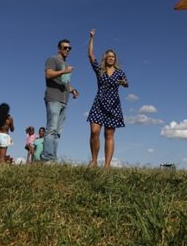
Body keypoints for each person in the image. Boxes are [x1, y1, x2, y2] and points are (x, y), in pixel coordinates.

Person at [86, 29, 128, 167]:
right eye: (109, 56)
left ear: (115, 59)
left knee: (109, 135)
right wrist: (92, 38)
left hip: (113, 105)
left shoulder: (119, 72)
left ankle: (107, 164)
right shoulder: (100, 70)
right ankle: (94, 160)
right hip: (99, 103)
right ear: (106, 58)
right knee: (94, 132)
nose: (111, 58)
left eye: (113, 57)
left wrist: (123, 83)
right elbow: (91, 55)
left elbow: (126, 83)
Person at [41, 39, 80, 162]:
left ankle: (53, 158)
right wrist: (64, 71)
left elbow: (64, 83)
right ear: (59, 49)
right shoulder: (53, 59)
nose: (67, 50)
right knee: (51, 130)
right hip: (53, 99)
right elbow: (48, 74)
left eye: (69, 48)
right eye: (65, 47)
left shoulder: (65, 64)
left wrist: (72, 90)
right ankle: (47, 158)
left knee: (58, 133)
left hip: (64, 101)